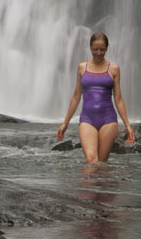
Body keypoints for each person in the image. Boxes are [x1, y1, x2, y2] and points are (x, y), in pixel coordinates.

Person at [56, 32, 135, 162]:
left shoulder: (114, 69)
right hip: (87, 119)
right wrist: (65, 123)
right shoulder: (82, 68)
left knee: (102, 163)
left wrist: (127, 125)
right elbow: (76, 96)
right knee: (91, 160)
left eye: (102, 49)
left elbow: (118, 99)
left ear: (107, 48)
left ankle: (103, 182)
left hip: (108, 120)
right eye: (95, 49)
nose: (98, 52)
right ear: (90, 48)